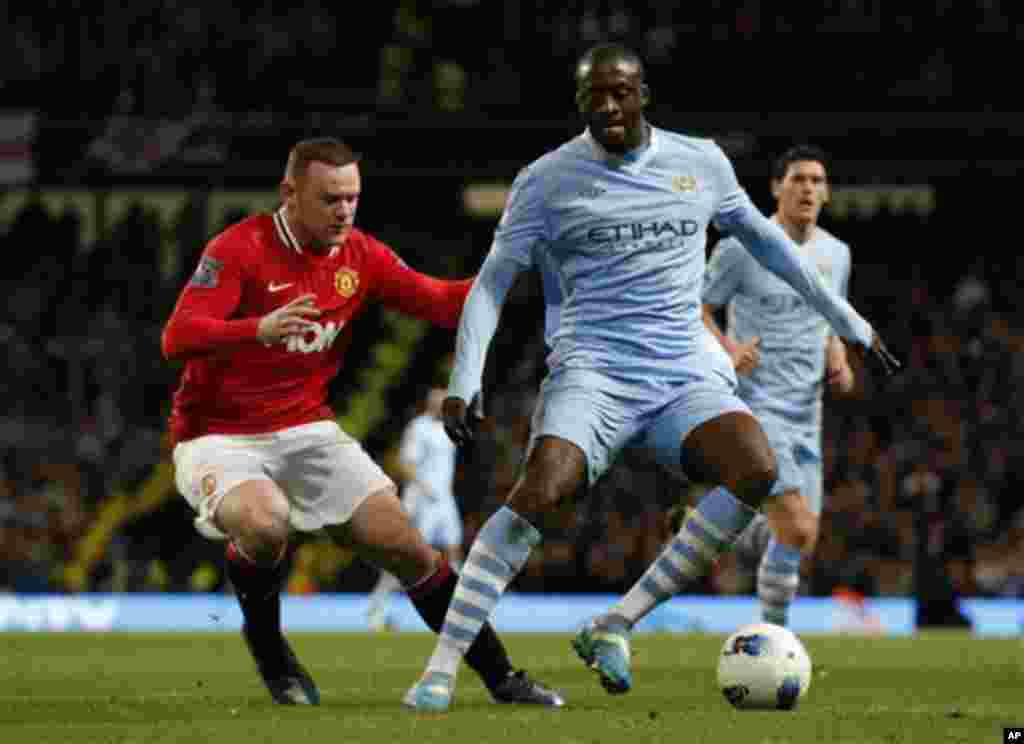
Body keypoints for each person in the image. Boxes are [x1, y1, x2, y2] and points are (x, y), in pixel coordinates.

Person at [405, 44, 898, 711]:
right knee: (542, 489)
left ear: (643, 94)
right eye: (594, 96)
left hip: (681, 369)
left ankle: (614, 622)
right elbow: (492, 285)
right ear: (580, 102)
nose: (609, 106)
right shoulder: (547, 180)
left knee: (756, 467)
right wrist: (467, 377)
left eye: (621, 92)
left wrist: (851, 324)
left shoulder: (700, 161)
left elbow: (773, 247)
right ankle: (439, 667)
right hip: (593, 370)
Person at [161, 137, 564, 708]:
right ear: (289, 194)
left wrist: (518, 274)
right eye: (330, 199)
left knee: (409, 547)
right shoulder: (239, 248)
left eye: (352, 198)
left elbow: (444, 302)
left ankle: (502, 676)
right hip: (218, 435)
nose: (345, 211)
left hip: (307, 429)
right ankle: (269, 648)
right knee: (266, 522)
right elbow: (177, 336)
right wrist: (256, 328)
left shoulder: (361, 256)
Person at [702, 144, 858, 626]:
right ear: (776, 188)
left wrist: (838, 351)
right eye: (798, 179)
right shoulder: (742, 247)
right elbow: (695, 308)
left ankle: (770, 631)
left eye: (816, 180)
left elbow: (830, 319)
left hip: (806, 413)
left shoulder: (837, 255)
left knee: (799, 538)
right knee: (796, 525)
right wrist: (727, 350)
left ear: (827, 192)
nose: (808, 188)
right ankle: (774, 639)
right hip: (756, 406)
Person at [367, 387, 464, 631]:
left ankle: (459, 613)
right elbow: (406, 465)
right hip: (422, 501)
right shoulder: (417, 428)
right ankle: (377, 607)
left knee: (454, 553)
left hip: (445, 500)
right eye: (435, 401)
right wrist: (425, 488)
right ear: (429, 403)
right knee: (409, 559)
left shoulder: (450, 428)